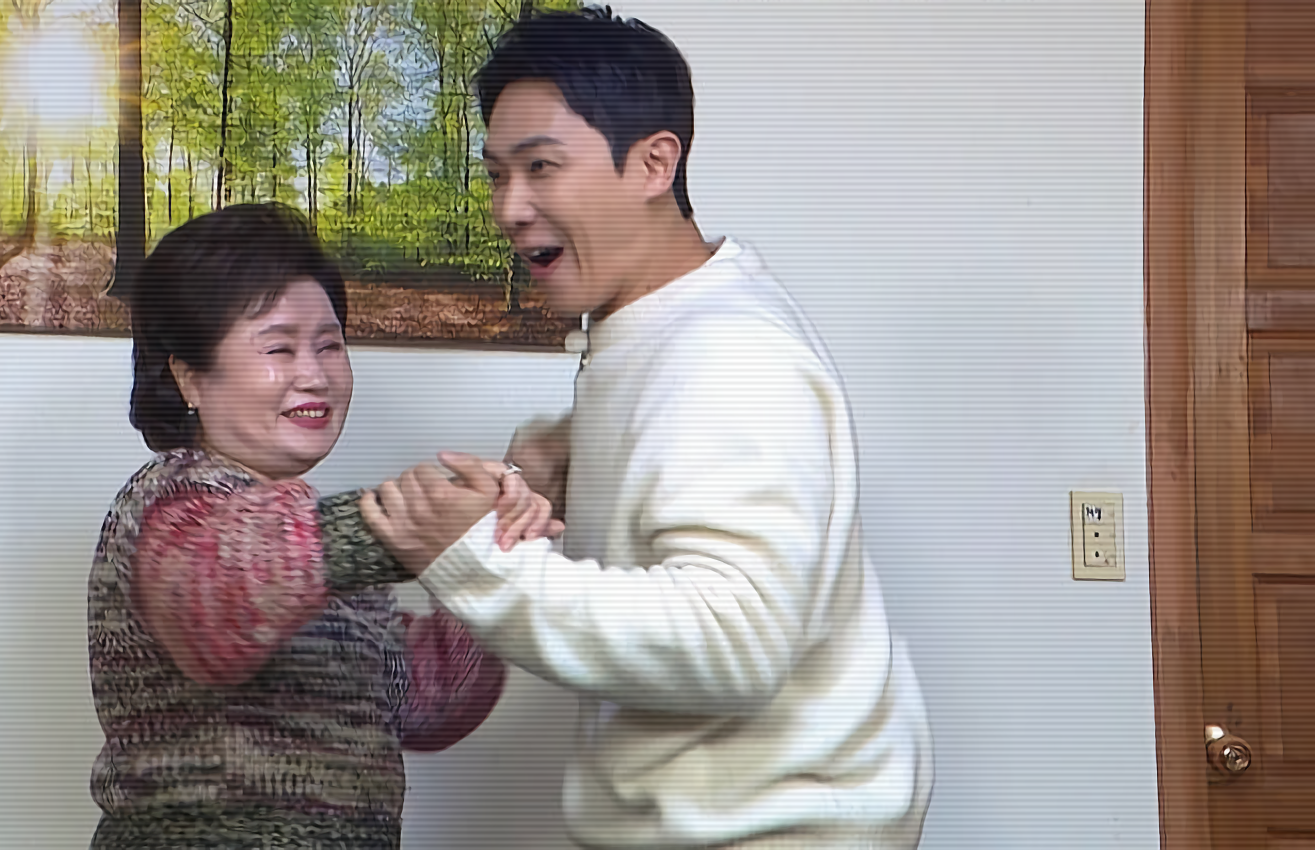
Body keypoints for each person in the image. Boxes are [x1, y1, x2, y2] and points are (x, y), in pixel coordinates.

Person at [358, 8, 935, 850]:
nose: (509, 207)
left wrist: (476, 562)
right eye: (497, 175)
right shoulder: (662, 328)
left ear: (654, 163)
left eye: (542, 167)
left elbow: (733, 640)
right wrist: (565, 451)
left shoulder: (730, 357)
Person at [85, 202, 559, 850]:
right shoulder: (168, 500)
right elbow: (214, 601)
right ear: (189, 376)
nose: (314, 374)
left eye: (330, 345)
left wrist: (502, 526)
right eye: (279, 347)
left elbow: (428, 701)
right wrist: (418, 522)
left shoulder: (324, 546)